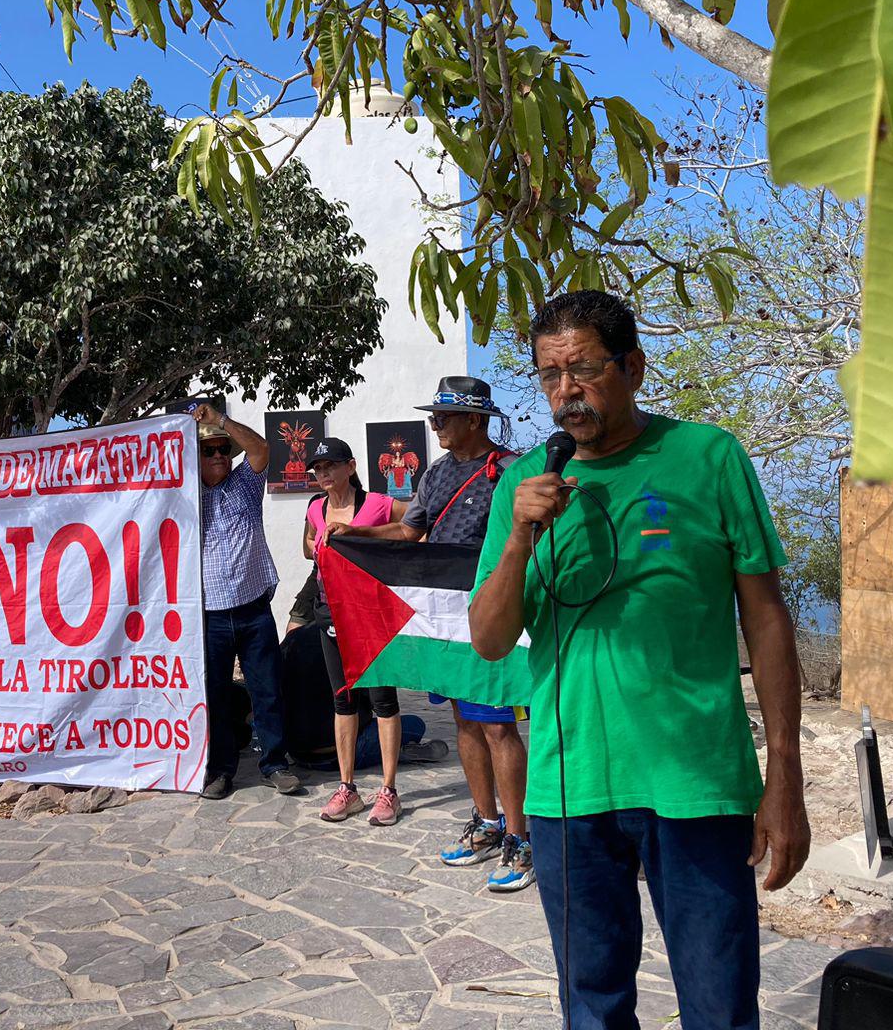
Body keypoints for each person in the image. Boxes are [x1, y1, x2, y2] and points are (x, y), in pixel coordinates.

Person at [469, 291, 809, 1030]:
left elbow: (768, 619)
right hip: (568, 789)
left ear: (634, 367)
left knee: (720, 1005)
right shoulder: (525, 487)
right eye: (549, 376)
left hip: (695, 783)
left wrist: (785, 774)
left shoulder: (708, 458)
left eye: (585, 370)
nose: (567, 392)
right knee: (592, 1007)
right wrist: (522, 537)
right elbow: (490, 641)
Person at [331, 377, 534, 893]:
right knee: (465, 723)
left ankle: (520, 837)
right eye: (433, 418)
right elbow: (408, 533)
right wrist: (355, 533)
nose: (435, 426)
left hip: (495, 618)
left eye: (443, 418)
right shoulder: (436, 474)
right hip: (447, 621)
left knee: (498, 727)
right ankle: (487, 823)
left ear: (475, 419)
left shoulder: (512, 471)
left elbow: (534, 535)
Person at [194, 403, 303, 800]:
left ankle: (275, 763)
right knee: (217, 695)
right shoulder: (183, 497)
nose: (220, 454)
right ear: (196, 458)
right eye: (209, 450)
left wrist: (219, 422)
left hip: (253, 608)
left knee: (267, 690)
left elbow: (261, 450)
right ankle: (222, 770)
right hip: (209, 616)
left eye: (224, 449)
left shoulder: (245, 483)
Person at [300, 437, 409, 826]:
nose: (324, 473)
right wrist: (318, 544)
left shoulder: (378, 504)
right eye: (318, 468)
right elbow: (308, 544)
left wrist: (363, 538)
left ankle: (389, 790)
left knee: (382, 700)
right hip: (330, 611)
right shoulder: (315, 507)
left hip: (372, 614)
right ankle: (347, 788)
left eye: (330, 465)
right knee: (342, 699)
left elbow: (412, 526)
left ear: (351, 466)